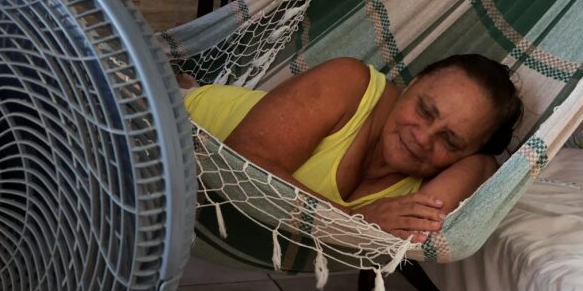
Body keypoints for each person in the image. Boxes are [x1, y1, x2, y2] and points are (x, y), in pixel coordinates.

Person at [182, 54, 522, 239]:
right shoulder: (349, 82)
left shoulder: (428, 184)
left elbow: (482, 169)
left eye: (449, 140)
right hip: (173, 122)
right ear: (412, 84)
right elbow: (240, 164)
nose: (422, 137)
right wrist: (354, 219)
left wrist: (482, 163)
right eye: (424, 109)